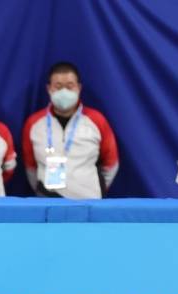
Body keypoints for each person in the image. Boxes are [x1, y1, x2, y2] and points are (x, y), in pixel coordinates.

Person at [20, 61, 118, 199]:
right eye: (58, 86)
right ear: (49, 88)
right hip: (48, 200)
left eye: (69, 86)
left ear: (79, 88)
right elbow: (30, 166)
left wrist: (96, 188)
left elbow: (111, 163)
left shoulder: (97, 120)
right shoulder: (34, 123)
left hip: (89, 200)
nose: (64, 91)